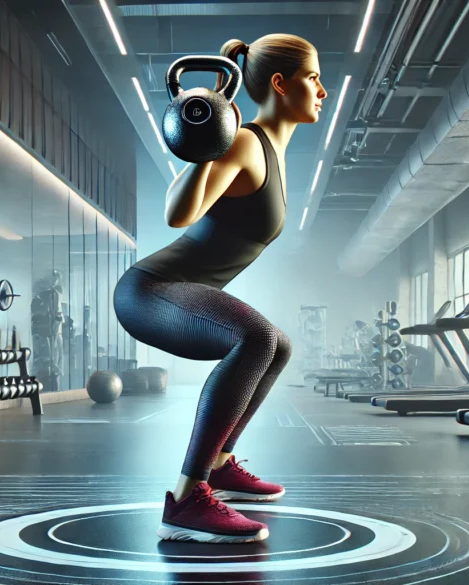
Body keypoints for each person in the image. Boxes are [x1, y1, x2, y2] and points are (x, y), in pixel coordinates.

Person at [114, 34, 327, 544]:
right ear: (280, 83)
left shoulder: (268, 148)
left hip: (178, 290)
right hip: (150, 291)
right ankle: (188, 498)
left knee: (279, 344)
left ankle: (222, 462)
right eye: (313, 78)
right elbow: (177, 214)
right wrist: (212, 131)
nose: (323, 90)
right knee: (253, 337)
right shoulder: (247, 143)